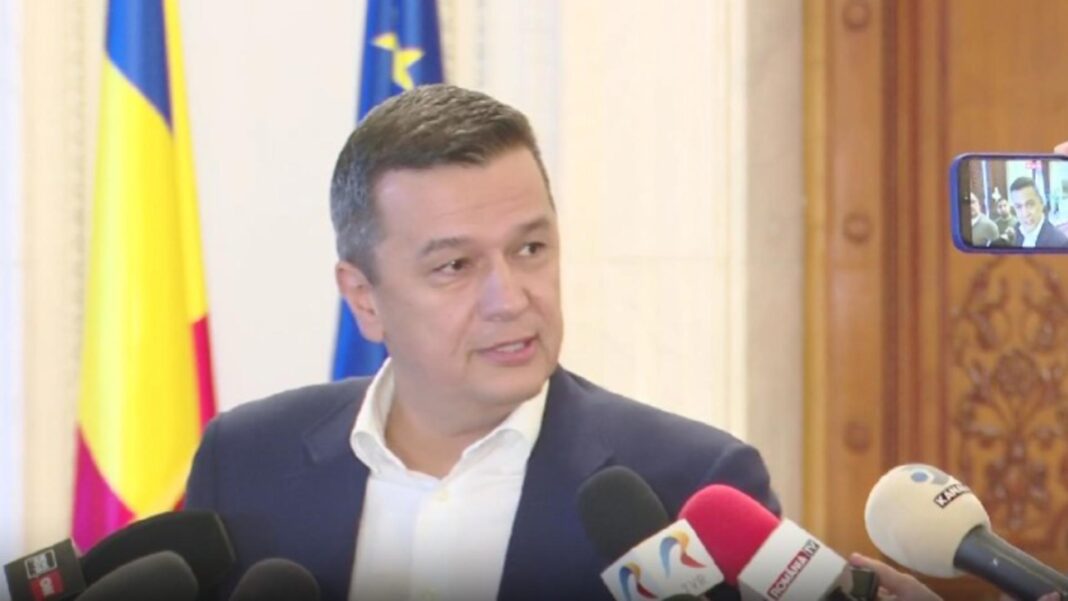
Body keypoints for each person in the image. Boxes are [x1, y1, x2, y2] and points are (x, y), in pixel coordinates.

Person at [185, 84, 780, 601]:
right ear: (364, 298)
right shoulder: (245, 461)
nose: (511, 299)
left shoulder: (689, 483)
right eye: (455, 265)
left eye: (530, 249)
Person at [1009, 176, 1068, 248]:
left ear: (1041, 203)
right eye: (1018, 207)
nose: (1025, 214)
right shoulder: (1012, 234)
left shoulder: (1060, 243)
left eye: (1030, 204)